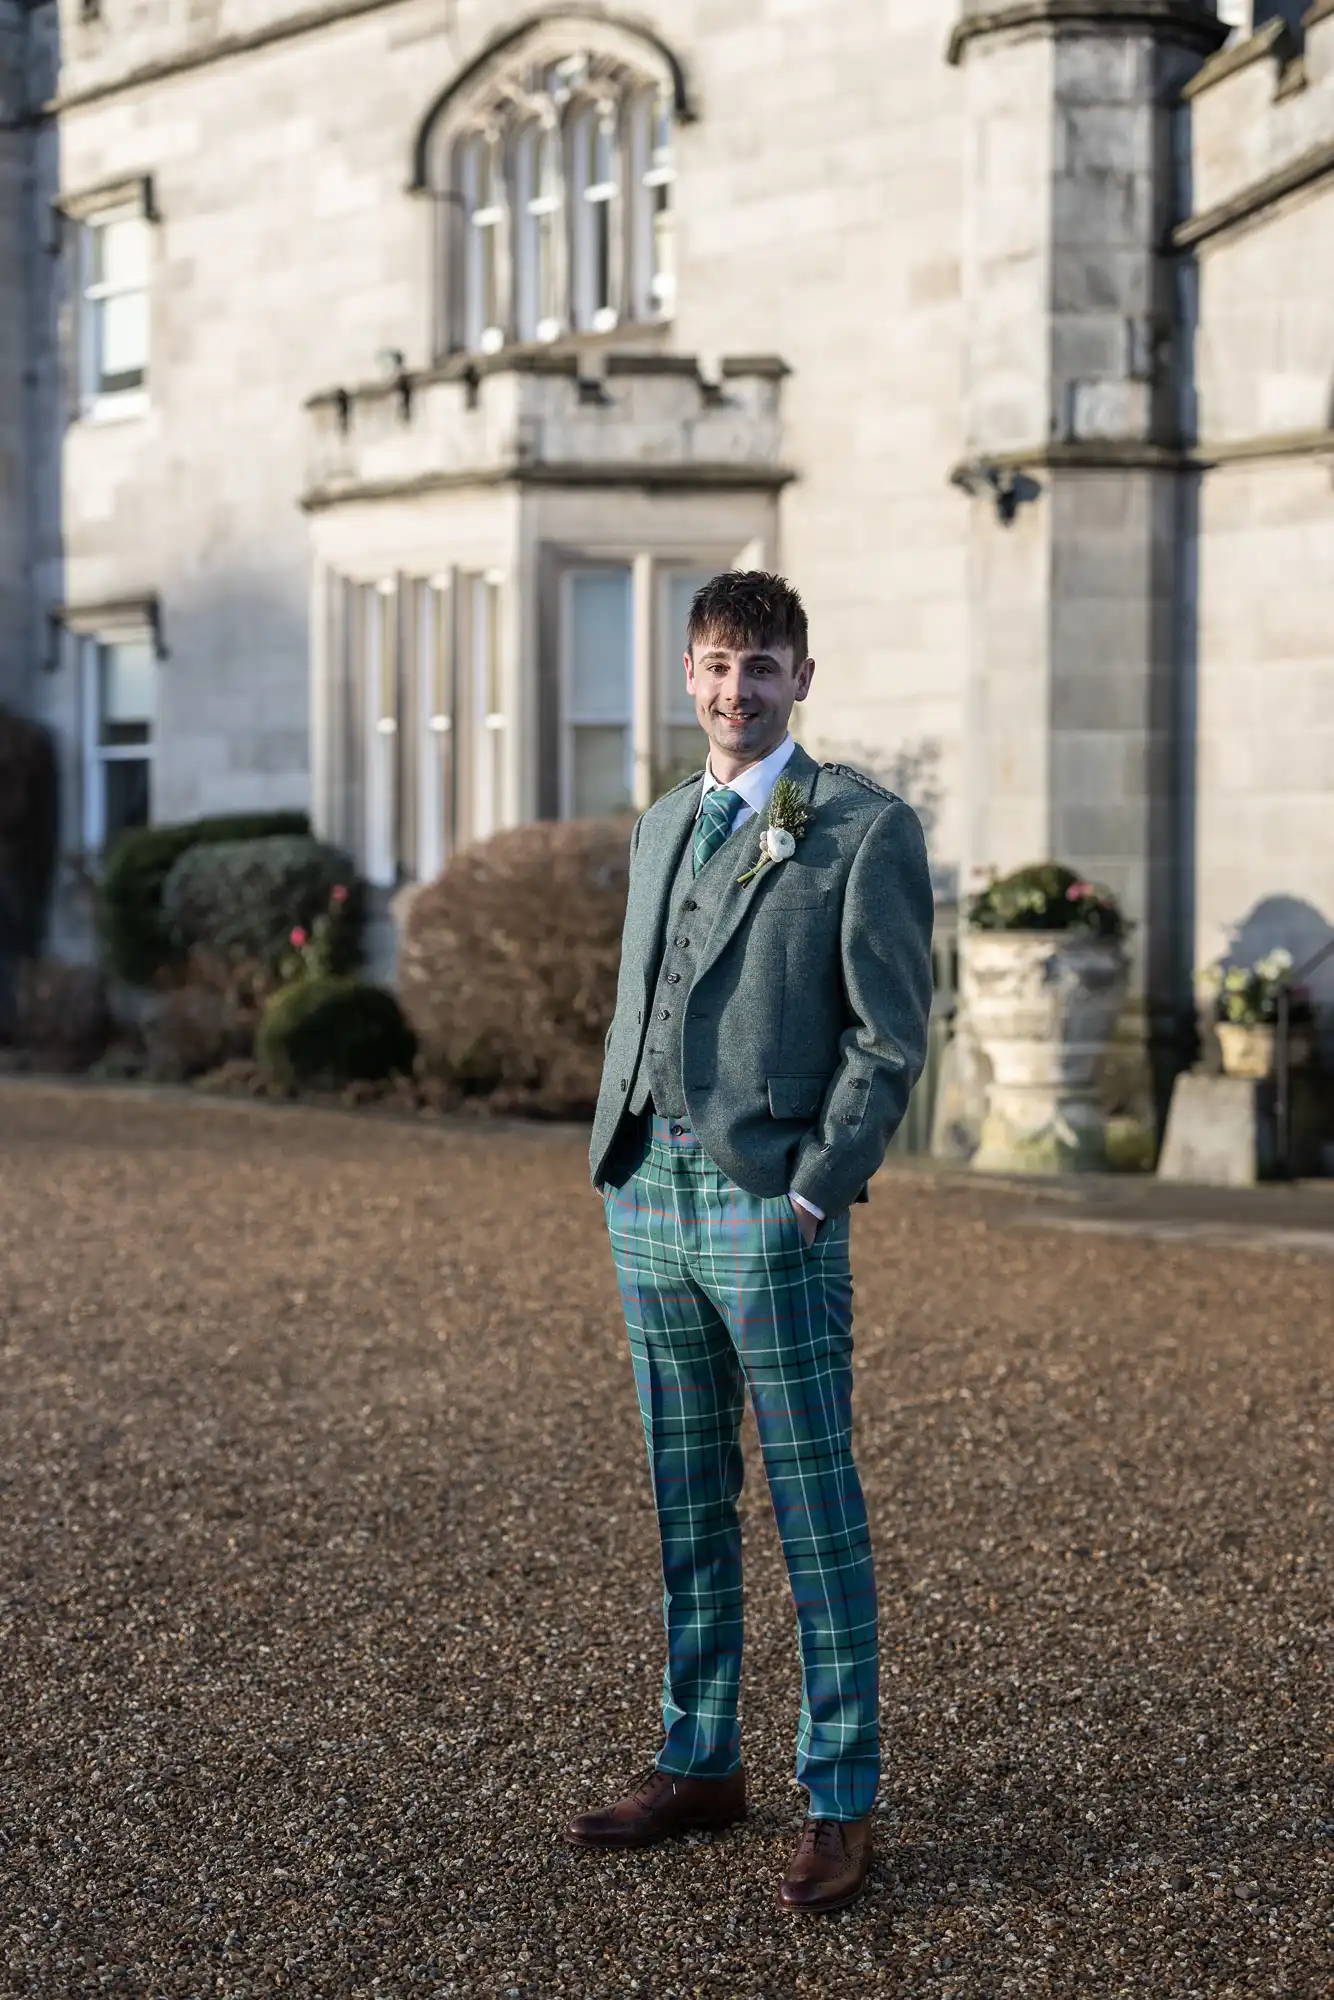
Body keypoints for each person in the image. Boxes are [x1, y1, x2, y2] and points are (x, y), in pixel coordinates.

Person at [568, 570, 935, 1913]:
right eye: (717, 665)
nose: (737, 689)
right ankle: (698, 1755)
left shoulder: (853, 828)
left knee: (811, 1503)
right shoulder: (664, 820)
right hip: (644, 1193)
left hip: (766, 1202)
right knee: (682, 1492)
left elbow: (887, 1038)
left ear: (801, 678)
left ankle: (839, 1794)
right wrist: (615, 1152)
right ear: (687, 674)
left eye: (761, 666)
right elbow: (643, 999)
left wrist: (811, 1189)